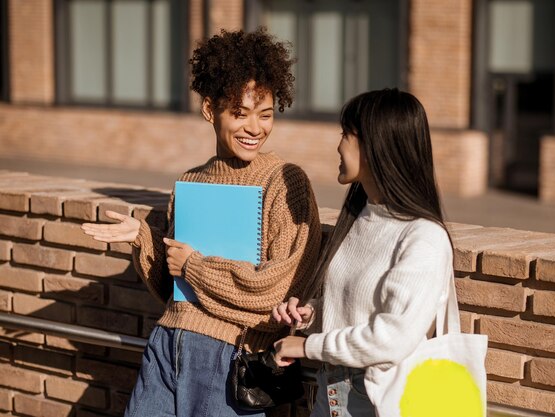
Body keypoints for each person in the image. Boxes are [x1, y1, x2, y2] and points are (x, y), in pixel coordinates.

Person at [81, 28, 322, 417]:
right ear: (210, 109)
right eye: (239, 114)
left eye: (265, 114)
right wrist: (144, 239)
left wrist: (194, 266)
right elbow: (173, 289)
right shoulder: (191, 181)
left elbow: (276, 289)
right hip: (166, 342)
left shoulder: (284, 180)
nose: (255, 128)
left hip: (232, 358)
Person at [271, 88, 454, 417]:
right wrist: (312, 315)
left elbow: (394, 338)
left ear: (375, 144)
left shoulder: (424, 237)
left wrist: (307, 346)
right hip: (334, 389)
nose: (339, 145)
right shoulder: (363, 216)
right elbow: (360, 306)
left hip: (378, 396)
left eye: (346, 134)